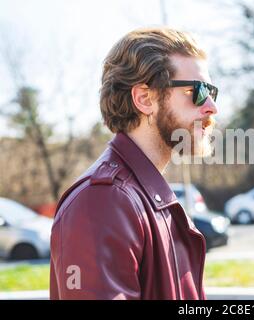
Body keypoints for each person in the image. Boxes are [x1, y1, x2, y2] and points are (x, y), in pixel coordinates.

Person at [50, 28, 218, 300]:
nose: (211, 106)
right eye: (196, 90)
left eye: (211, 91)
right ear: (144, 99)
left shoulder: (145, 196)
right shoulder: (103, 200)